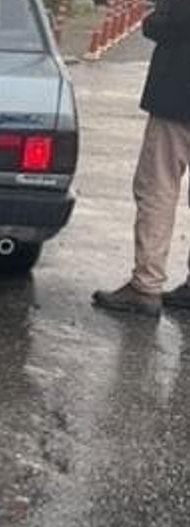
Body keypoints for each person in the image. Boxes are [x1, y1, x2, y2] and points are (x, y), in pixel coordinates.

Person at [92, 0, 190, 317]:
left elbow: (172, 21)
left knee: (159, 187)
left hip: (179, 95)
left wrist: (152, 20)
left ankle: (146, 285)